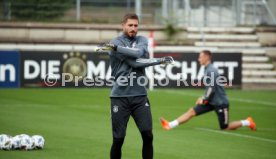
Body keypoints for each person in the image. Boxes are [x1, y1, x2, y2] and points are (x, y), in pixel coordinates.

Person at [95, 13, 174, 159]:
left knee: (148, 135)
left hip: (140, 96)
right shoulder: (116, 41)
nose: (133, 28)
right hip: (120, 97)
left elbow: (138, 53)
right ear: (123, 25)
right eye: (130, 25)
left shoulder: (140, 40)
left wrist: (114, 48)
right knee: (118, 140)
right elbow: (135, 62)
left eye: (136, 25)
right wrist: (160, 61)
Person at [160, 50, 256, 131]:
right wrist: (204, 98)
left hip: (220, 102)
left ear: (206, 57)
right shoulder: (207, 69)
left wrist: (204, 98)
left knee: (225, 127)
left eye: (200, 57)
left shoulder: (211, 70)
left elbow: (212, 88)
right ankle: (170, 125)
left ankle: (247, 122)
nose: (199, 59)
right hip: (211, 100)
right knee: (191, 112)